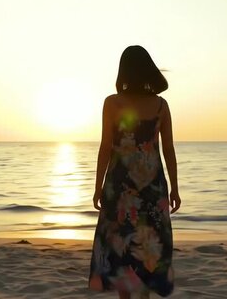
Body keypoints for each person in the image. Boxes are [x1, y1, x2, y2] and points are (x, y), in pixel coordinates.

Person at [88, 45, 180, 298]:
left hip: (120, 189)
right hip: (153, 188)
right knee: (148, 253)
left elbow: (106, 147)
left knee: (122, 251)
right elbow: (168, 150)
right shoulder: (161, 106)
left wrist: (98, 187)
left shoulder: (112, 103)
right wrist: (174, 188)